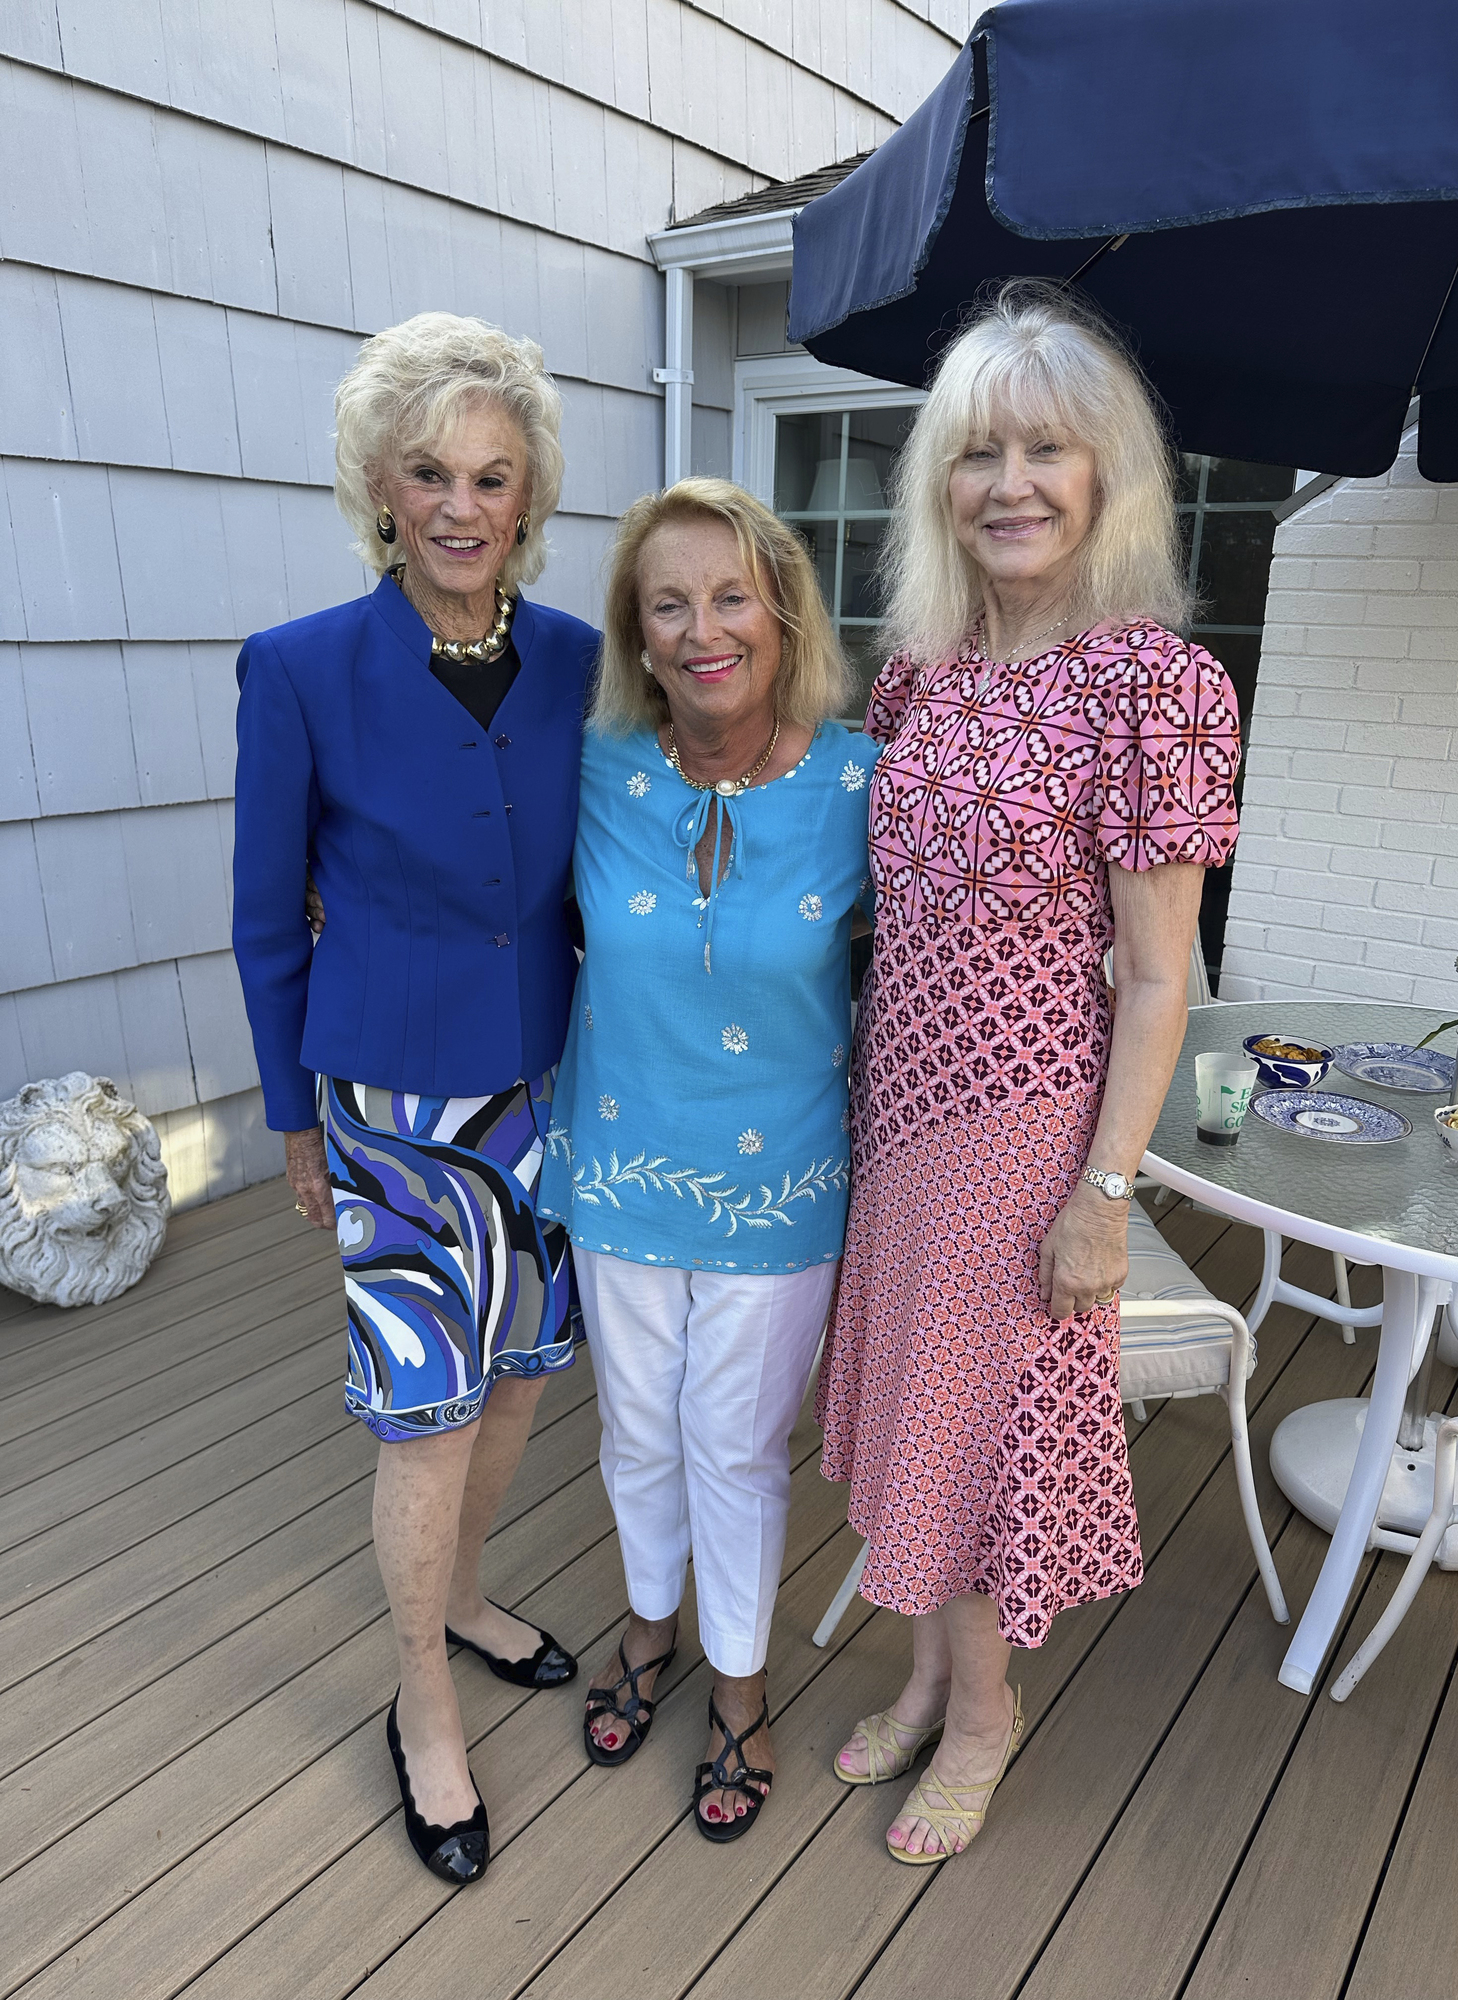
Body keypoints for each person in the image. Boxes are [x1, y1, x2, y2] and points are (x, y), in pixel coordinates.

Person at [818, 284, 1241, 1864]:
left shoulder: (1149, 689)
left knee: (981, 1434)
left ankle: (989, 1719)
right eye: (979, 451)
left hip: (1028, 1127)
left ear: (1106, 475)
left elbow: (1156, 974)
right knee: (914, 1419)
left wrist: (1107, 1192)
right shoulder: (923, 672)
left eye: (1048, 450)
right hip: (900, 1111)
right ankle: (932, 1678)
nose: (1011, 483)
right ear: (942, 482)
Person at [232, 313, 598, 1885]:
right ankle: (422, 1696)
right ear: (382, 489)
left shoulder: (586, 661)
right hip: (388, 1105)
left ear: (528, 499)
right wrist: (296, 1122)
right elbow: (263, 916)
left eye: (494, 477)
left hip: (554, 1087)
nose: (463, 506)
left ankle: (453, 1593)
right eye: (432, 474)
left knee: (517, 1382)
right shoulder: (302, 668)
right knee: (425, 1414)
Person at [535, 479, 876, 1842]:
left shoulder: (862, 780)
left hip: (784, 1178)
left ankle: (740, 1687)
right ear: (638, 630)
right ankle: (648, 1624)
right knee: (634, 1429)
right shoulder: (595, 765)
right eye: (668, 604)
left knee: (732, 1445)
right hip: (619, 1165)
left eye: (730, 595)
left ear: (782, 609)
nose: (702, 629)